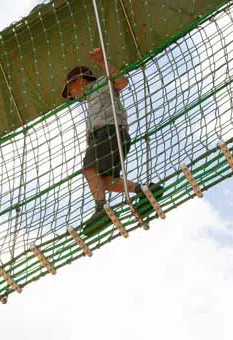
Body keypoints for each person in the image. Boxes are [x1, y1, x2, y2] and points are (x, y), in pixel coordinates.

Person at [61, 48, 163, 235]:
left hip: (109, 132)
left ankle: (101, 209)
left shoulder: (101, 83)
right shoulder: (90, 100)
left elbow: (122, 82)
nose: (74, 96)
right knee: (104, 181)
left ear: (79, 81)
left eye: (71, 90)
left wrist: (102, 62)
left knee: (89, 169)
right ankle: (145, 190)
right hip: (111, 137)